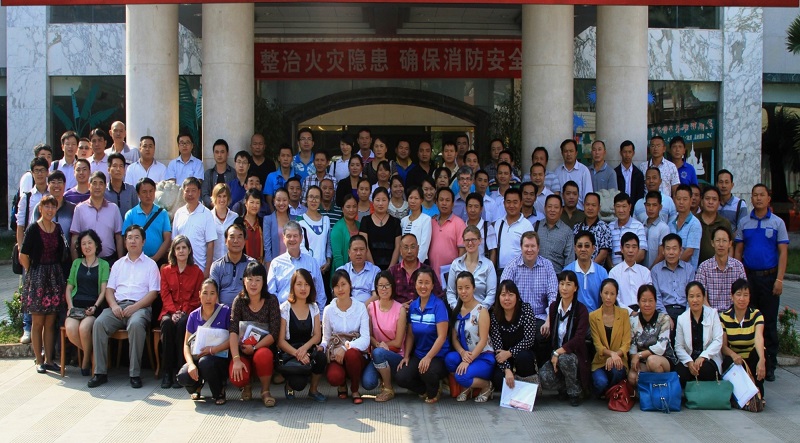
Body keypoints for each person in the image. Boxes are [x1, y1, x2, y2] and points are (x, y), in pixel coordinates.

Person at [88, 225, 160, 389]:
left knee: (135, 324)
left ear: (143, 241)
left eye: (136, 237)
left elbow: (153, 294)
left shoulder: (150, 265)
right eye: (129, 237)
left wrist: (134, 308)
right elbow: (109, 290)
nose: (133, 241)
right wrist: (113, 306)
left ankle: (134, 374)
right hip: (118, 307)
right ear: (125, 241)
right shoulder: (118, 264)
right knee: (99, 323)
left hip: (140, 308)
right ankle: (100, 373)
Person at [734, 184, 788, 382]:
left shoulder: (777, 223)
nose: (758, 198)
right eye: (755, 195)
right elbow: (738, 250)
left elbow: (783, 252)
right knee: (749, 320)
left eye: (762, 195)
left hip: (769, 278)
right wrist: (740, 279)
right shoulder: (744, 222)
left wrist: (779, 279)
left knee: (769, 321)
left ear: (768, 198)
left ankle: (770, 363)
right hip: (749, 278)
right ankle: (752, 361)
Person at [19, 195, 67, 374]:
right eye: (46, 207)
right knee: (37, 321)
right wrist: (33, 272)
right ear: (40, 209)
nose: (49, 210)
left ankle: (49, 359)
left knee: (50, 320)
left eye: (53, 207)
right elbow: (23, 255)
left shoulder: (58, 228)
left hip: (54, 276)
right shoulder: (33, 228)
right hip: (38, 275)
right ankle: (38, 359)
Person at [500, 232, 557, 365]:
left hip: (540, 316)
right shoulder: (512, 266)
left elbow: (553, 295)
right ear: (521, 247)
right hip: (518, 316)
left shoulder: (547, 265)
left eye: (533, 246)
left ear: (538, 248)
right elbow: (503, 293)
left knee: (544, 334)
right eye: (526, 246)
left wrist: (549, 319)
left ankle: (544, 370)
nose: (529, 250)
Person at [228, 262, 281, 407]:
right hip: (243, 351)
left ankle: (265, 391)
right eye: (250, 279)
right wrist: (236, 359)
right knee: (237, 377)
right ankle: (247, 385)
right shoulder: (238, 301)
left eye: (258, 279)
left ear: (264, 281)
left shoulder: (271, 301)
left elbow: (274, 333)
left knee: (263, 355)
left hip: (263, 349)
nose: (253, 284)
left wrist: (256, 347)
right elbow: (233, 331)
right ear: (244, 280)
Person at [396, 268, 452, 403]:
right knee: (401, 377)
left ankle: (434, 391)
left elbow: (442, 337)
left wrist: (428, 357)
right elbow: (410, 334)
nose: (423, 286)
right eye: (420, 282)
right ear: (415, 284)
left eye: (427, 283)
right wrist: (407, 356)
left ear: (433, 285)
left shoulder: (439, 306)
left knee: (426, 370)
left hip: (438, 356)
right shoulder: (413, 306)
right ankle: (424, 389)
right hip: (419, 354)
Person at [538, 270, 591, 406]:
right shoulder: (554, 307)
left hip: (574, 355)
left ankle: (574, 392)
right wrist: (554, 354)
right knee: (544, 376)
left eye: (568, 284)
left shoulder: (581, 310)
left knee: (565, 359)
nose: (564, 288)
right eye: (561, 283)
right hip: (556, 354)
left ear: (575, 288)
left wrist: (558, 352)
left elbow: (579, 339)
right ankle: (564, 387)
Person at [321, 270, 374, 404]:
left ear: (350, 285)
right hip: (335, 354)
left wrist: (345, 348)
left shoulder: (360, 307)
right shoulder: (329, 310)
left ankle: (355, 389)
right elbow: (326, 338)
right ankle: (342, 384)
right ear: (332, 289)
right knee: (334, 377)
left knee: (351, 354)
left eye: (343, 284)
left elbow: (366, 339)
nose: (340, 289)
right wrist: (322, 347)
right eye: (336, 286)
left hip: (355, 354)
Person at [176, 279, 232, 405]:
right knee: (183, 376)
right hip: (198, 356)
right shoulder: (193, 316)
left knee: (206, 362)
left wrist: (213, 350)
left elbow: (233, 338)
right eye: (205, 293)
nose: (208, 297)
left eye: (212, 293)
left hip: (219, 358)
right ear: (199, 294)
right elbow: (186, 344)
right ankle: (196, 387)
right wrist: (190, 364)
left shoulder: (225, 312)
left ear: (217, 295)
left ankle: (219, 392)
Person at [159, 235, 203, 389]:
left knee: (182, 324)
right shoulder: (165, 271)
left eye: (184, 247)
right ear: (173, 252)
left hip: (188, 313)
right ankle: (166, 372)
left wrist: (182, 312)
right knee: (166, 324)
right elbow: (164, 294)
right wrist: (173, 312)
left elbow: (197, 298)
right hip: (169, 311)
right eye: (178, 248)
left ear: (189, 250)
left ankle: (180, 370)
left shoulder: (197, 271)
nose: (181, 251)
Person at [444, 271, 496, 402]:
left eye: (467, 287)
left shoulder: (481, 311)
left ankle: (486, 385)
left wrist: (468, 360)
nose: (463, 292)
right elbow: (454, 338)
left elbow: (483, 340)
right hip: (466, 353)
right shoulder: (456, 310)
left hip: (483, 356)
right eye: (460, 288)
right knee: (450, 359)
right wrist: (462, 353)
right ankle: (467, 387)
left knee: (461, 376)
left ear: (474, 288)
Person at [277, 269, 327, 403]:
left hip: (307, 350)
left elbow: (317, 336)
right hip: (290, 352)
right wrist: (297, 353)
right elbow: (281, 341)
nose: (303, 288)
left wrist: (305, 349)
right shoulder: (284, 308)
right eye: (299, 284)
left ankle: (313, 390)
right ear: (293, 286)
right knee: (298, 384)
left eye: (306, 284)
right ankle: (289, 384)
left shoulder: (314, 307)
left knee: (321, 357)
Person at [64, 229, 109, 376]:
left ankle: (84, 361)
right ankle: (90, 355)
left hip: (92, 308)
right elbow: (69, 287)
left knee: (84, 329)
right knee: (71, 330)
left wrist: (95, 306)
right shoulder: (76, 263)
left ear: (96, 245)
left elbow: (104, 290)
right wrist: (70, 306)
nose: (87, 246)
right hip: (76, 307)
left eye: (90, 242)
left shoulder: (103, 264)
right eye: (83, 243)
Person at [720, 279, 766, 403]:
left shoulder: (756, 314)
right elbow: (723, 346)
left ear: (750, 297)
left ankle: (759, 393)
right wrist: (734, 355)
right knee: (727, 360)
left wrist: (762, 360)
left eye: (746, 295)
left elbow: (759, 337)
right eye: (738, 294)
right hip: (735, 357)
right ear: (732, 296)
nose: (742, 299)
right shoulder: (724, 317)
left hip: (751, 356)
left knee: (759, 355)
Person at [267, 220, 326, 313]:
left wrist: (321, 317)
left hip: (308, 313)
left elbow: (320, 293)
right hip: (282, 313)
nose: (292, 239)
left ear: (301, 238)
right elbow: (271, 294)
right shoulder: (276, 263)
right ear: (283, 238)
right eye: (289, 236)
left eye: (295, 236)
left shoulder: (312, 263)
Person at [365, 271, 407, 402]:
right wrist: (378, 345)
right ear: (376, 288)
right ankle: (383, 374)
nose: (384, 289)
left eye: (387, 285)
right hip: (377, 353)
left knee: (379, 353)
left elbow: (398, 342)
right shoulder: (371, 308)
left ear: (392, 286)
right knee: (368, 383)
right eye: (380, 286)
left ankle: (388, 388)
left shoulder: (400, 309)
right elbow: (369, 335)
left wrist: (383, 347)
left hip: (395, 355)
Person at [627, 285, 678, 390]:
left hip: (663, 359)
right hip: (642, 360)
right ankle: (648, 395)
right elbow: (632, 346)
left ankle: (660, 392)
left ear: (655, 301)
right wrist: (634, 360)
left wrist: (639, 355)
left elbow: (661, 347)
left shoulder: (664, 319)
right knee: (632, 377)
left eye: (651, 300)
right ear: (638, 302)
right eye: (643, 301)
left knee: (652, 361)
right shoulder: (633, 319)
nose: (647, 304)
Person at [490, 280, 538, 390]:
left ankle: (527, 390)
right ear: (498, 297)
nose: (507, 298)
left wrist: (510, 352)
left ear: (517, 296)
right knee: (498, 378)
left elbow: (529, 339)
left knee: (523, 357)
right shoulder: (495, 315)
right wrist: (507, 370)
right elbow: (498, 348)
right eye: (503, 295)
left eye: (511, 295)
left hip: (523, 353)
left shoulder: (526, 309)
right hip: (504, 357)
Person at [674, 281, 723, 388]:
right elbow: (679, 347)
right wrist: (689, 362)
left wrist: (703, 356)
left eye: (698, 296)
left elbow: (718, 340)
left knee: (705, 370)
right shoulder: (682, 318)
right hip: (689, 358)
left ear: (703, 297)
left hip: (708, 358)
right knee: (679, 374)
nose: (695, 300)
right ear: (687, 298)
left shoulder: (713, 314)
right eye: (691, 296)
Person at [589, 279, 631, 395]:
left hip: (619, 360)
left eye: (612, 294)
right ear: (600, 293)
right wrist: (611, 354)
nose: (608, 297)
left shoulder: (624, 314)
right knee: (601, 383)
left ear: (616, 295)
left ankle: (613, 393)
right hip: (600, 361)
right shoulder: (593, 316)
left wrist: (615, 355)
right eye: (606, 293)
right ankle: (609, 393)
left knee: (617, 371)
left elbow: (626, 343)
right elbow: (598, 345)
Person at [70, 171, 123, 264]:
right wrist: (76, 265)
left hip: (109, 261)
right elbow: (75, 237)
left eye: (101, 183)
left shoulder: (113, 208)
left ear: (105, 187)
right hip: (86, 262)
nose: (97, 187)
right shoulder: (80, 209)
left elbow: (118, 237)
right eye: (94, 183)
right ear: (89, 186)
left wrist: (121, 263)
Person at [696, 226, 746, 312]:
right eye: (718, 241)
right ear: (712, 243)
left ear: (730, 244)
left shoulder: (738, 266)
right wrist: (713, 315)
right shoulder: (704, 267)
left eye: (724, 241)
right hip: (710, 315)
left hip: (733, 314)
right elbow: (700, 296)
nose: (721, 244)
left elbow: (743, 294)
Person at [172, 177, 216, 276]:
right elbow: (174, 242)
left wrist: (207, 269)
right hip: (181, 269)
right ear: (183, 192)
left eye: (193, 191)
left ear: (199, 192)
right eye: (187, 191)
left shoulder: (206, 213)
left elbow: (210, 244)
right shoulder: (179, 213)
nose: (190, 194)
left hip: (200, 268)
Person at [122, 177, 171, 265]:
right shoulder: (130, 214)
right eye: (144, 192)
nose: (148, 195)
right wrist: (138, 258)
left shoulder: (162, 213)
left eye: (151, 191)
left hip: (158, 261)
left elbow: (167, 239)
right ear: (138, 194)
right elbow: (125, 240)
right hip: (136, 261)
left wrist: (155, 258)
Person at [446, 226, 497, 309]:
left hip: (481, 313)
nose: (470, 243)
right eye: (467, 240)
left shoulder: (488, 265)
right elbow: (450, 292)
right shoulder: (456, 264)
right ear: (463, 241)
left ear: (480, 241)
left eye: (473, 240)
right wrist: (457, 309)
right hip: (460, 312)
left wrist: (479, 310)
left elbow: (491, 293)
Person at [389, 234, 444, 305]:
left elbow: (438, 295)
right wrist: (399, 307)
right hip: (398, 314)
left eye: (413, 247)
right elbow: (385, 297)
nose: (409, 251)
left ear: (418, 249)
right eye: (406, 247)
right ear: (400, 250)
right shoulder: (393, 271)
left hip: (423, 312)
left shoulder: (427, 270)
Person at [651, 234, 694, 325]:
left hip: (685, 310)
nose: (671, 252)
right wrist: (665, 316)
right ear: (663, 251)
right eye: (668, 248)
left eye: (674, 248)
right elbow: (657, 297)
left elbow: (692, 295)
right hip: (665, 310)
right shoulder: (656, 270)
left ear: (680, 250)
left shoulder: (689, 269)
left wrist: (686, 316)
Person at [209, 223, 255, 307]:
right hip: (222, 312)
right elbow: (213, 293)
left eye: (239, 237)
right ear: (226, 241)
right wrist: (220, 313)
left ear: (245, 241)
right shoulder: (217, 266)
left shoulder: (252, 265)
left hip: (246, 313)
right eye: (232, 237)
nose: (236, 241)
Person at [564, 230, 608, 312]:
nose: (583, 249)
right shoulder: (567, 271)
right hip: (573, 320)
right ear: (575, 248)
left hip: (596, 319)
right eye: (580, 246)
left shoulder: (602, 273)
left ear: (593, 248)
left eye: (587, 246)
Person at [494, 188, 534, 274]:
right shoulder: (498, 223)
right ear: (504, 204)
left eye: (515, 202)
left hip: (521, 271)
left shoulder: (527, 225)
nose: (511, 205)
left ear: (521, 204)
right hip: (501, 271)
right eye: (508, 202)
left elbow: (531, 251)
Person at [359, 187, 400, 270]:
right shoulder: (365, 221)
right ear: (373, 202)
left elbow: (398, 247)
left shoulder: (395, 222)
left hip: (391, 269)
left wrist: (390, 269)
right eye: (377, 200)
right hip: (370, 269)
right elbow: (364, 246)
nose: (380, 203)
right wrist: (374, 269)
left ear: (388, 202)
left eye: (384, 200)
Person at [429, 187, 466, 279]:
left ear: (453, 204)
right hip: (431, 274)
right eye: (441, 200)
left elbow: (462, 251)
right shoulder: (431, 222)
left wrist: (457, 272)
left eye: (447, 200)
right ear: (436, 202)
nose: (444, 203)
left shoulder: (459, 223)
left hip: (451, 274)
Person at [608, 232, 652, 310]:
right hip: (621, 314)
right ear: (621, 249)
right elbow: (614, 298)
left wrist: (640, 312)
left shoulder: (645, 272)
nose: (630, 250)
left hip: (643, 313)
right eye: (627, 247)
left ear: (638, 249)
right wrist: (630, 312)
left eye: (634, 247)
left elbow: (649, 295)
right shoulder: (614, 273)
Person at [536, 194, 574, 274]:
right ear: (545, 208)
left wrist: (564, 280)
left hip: (557, 275)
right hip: (536, 275)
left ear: (561, 210)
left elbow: (569, 260)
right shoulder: (535, 226)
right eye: (549, 206)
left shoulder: (567, 232)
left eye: (556, 207)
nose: (552, 210)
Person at [336, 235, 380, 304]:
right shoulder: (341, 271)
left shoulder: (375, 270)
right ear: (349, 252)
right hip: (346, 309)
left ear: (366, 251)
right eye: (355, 250)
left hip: (367, 309)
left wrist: (361, 309)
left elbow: (376, 295)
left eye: (362, 249)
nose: (358, 253)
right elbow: (337, 295)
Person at [297, 185, 332, 272]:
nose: (313, 200)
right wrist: (312, 265)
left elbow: (328, 244)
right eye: (311, 197)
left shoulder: (326, 220)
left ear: (320, 200)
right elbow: (300, 246)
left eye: (317, 197)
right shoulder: (299, 220)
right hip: (306, 268)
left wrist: (328, 261)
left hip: (323, 269)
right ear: (306, 199)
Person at [572, 192, 611, 265]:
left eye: (593, 205)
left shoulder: (604, 227)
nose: (590, 208)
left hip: (597, 270)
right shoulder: (577, 227)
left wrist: (590, 267)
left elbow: (604, 253)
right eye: (587, 205)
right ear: (583, 206)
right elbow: (573, 251)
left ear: (599, 208)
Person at [608, 192, 647, 266]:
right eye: (618, 206)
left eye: (624, 206)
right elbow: (607, 253)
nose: (621, 210)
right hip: (613, 272)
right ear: (614, 207)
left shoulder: (638, 226)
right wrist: (613, 269)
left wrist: (624, 268)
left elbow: (641, 254)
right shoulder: (610, 227)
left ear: (630, 207)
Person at [697, 186, 732, 264]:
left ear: (719, 203)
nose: (710, 202)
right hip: (695, 269)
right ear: (702, 201)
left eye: (714, 199)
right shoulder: (694, 221)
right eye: (707, 198)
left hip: (719, 270)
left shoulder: (724, 223)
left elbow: (730, 248)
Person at [670, 184, 702, 269]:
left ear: (691, 200)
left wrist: (674, 267)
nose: (681, 202)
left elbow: (689, 252)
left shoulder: (695, 224)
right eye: (678, 199)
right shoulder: (671, 223)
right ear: (674, 200)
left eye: (685, 199)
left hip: (686, 272)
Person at [554, 139, 592, 209]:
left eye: (571, 151)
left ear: (576, 153)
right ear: (562, 153)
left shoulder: (584, 170)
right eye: (566, 151)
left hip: (580, 212)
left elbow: (588, 195)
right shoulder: (557, 171)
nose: (568, 154)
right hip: (562, 212)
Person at [330, 194, 360, 277]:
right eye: (348, 207)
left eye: (354, 206)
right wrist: (344, 277)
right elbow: (337, 257)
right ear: (342, 209)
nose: (351, 210)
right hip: (342, 275)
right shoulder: (338, 228)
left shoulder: (360, 225)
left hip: (359, 273)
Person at [400, 187, 432, 263]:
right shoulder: (404, 220)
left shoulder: (426, 219)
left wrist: (416, 264)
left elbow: (424, 246)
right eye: (410, 198)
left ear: (421, 200)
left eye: (416, 198)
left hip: (420, 263)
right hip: (405, 263)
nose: (413, 201)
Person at [201, 139, 235, 207]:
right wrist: (215, 205)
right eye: (217, 152)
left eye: (222, 152)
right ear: (213, 154)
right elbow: (204, 194)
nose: (219, 155)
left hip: (230, 211)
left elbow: (235, 193)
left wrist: (225, 205)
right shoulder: (208, 174)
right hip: (211, 212)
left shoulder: (233, 173)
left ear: (227, 153)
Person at [209, 183, 238, 263]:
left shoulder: (235, 217)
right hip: (213, 263)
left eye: (224, 196)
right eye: (219, 196)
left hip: (231, 262)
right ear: (214, 197)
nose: (222, 199)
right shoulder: (208, 217)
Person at [263, 187, 292, 268]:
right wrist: (269, 265)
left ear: (289, 201)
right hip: (275, 264)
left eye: (284, 200)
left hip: (291, 263)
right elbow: (267, 246)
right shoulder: (268, 220)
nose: (281, 203)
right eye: (278, 200)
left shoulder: (294, 219)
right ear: (274, 201)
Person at [104, 153, 139, 219]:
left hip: (128, 228)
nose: (118, 169)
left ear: (124, 170)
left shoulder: (131, 190)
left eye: (121, 166)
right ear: (108, 169)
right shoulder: (104, 191)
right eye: (115, 166)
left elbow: (136, 212)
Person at [465, 192, 497, 262]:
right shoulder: (462, 226)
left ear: (481, 208)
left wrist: (491, 270)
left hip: (483, 268)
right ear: (466, 208)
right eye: (470, 206)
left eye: (476, 206)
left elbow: (493, 251)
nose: (473, 210)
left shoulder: (488, 227)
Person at [235, 189, 265, 262]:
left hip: (260, 265)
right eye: (252, 202)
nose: (255, 206)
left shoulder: (263, 222)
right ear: (246, 203)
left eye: (257, 203)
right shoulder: (239, 222)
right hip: (243, 264)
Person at [642, 191, 670, 268]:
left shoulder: (664, 228)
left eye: (654, 205)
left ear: (660, 207)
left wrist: (651, 270)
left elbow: (661, 255)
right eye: (648, 205)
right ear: (645, 206)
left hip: (656, 271)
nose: (651, 208)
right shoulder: (641, 226)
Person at [264, 145, 297, 209]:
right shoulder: (271, 176)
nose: (285, 159)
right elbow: (269, 201)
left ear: (292, 158)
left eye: (288, 156)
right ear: (279, 158)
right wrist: (274, 216)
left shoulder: (297, 177)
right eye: (283, 156)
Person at [717, 169, 749, 234]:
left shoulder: (740, 204)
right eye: (721, 182)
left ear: (732, 185)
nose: (723, 186)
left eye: (727, 182)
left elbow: (741, 229)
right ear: (717, 184)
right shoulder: (713, 203)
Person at [615, 140, 645, 207]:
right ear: (620, 153)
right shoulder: (615, 173)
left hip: (634, 208)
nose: (627, 155)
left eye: (630, 152)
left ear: (633, 153)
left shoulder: (638, 174)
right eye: (625, 152)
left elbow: (640, 195)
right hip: (619, 208)